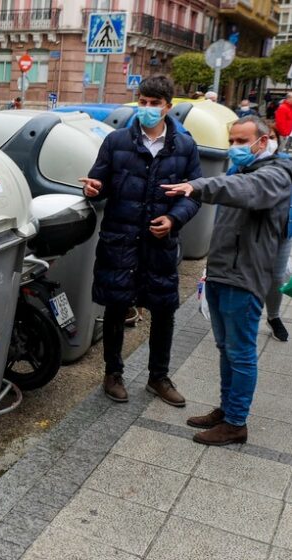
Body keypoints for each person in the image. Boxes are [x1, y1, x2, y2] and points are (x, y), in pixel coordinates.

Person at [162, 116, 292, 445]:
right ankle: (227, 409)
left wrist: (199, 185)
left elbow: (245, 192)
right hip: (222, 273)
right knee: (225, 349)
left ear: (263, 141)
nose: (234, 147)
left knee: (241, 352)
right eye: (231, 140)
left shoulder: (276, 174)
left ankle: (236, 423)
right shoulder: (241, 170)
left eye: (241, 141)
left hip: (244, 278)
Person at [80, 75, 202, 407]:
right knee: (117, 306)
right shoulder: (117, 141)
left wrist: (174, 218)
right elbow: (99, 182)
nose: (147, 109)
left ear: (168, 107)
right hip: (121, 238)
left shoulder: (185, 146)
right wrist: (92, 190)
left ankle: (158, 377)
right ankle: (113, 373)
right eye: (143, 102)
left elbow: (193, 194)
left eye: (154, 104)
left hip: (159, 243)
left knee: (164, 309)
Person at [224, 121, 292, 342]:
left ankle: (273, 316)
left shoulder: (285, 166)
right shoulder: (237, 168)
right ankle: (241, 320)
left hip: (281, 233)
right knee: (244, 276)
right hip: (249, 233)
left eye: (272, 138)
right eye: (232, 141)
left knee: (276, 277)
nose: (235, 146)